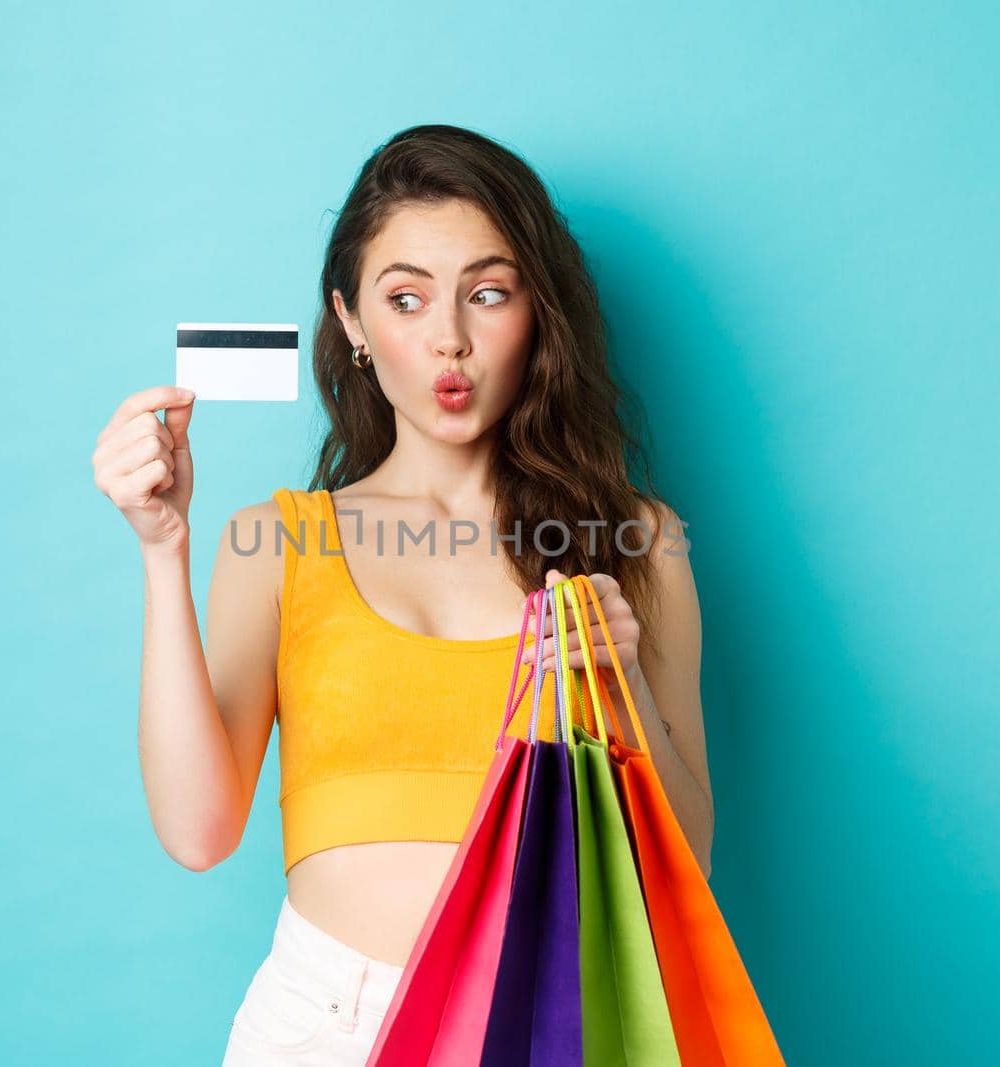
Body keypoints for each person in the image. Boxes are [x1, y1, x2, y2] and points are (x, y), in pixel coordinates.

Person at [92, 123, 715, 1065]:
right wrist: (162, 550)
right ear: (350, 321)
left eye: (488, 293)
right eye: (407, 298)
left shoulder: (639, 543)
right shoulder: (277, 541)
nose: (449, 339)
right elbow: (196, 829)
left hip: (545, 1021)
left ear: (537, 311)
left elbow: (689, 869)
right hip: (320, 1024)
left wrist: (619, 685)